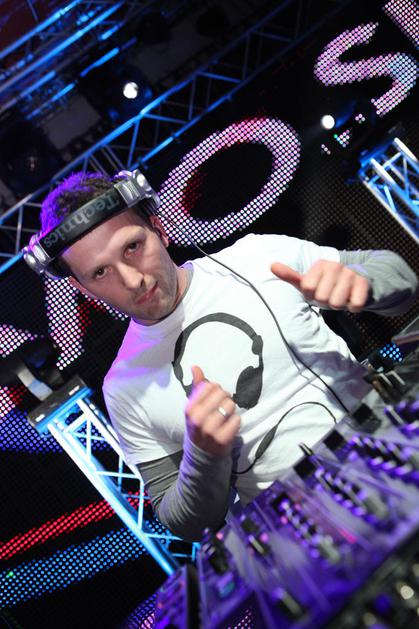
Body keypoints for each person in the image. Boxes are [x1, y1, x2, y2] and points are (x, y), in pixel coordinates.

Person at [30, 170, 418, 542]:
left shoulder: (257, 257)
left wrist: (365, 285)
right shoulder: (123, 387)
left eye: (133, 247)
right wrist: (203, 456)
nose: (132, 281)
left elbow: (403, 279)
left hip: (392, 450)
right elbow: (183, 524)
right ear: (83, 289)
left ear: (159, 229)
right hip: (307, 528)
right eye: (100, 273)